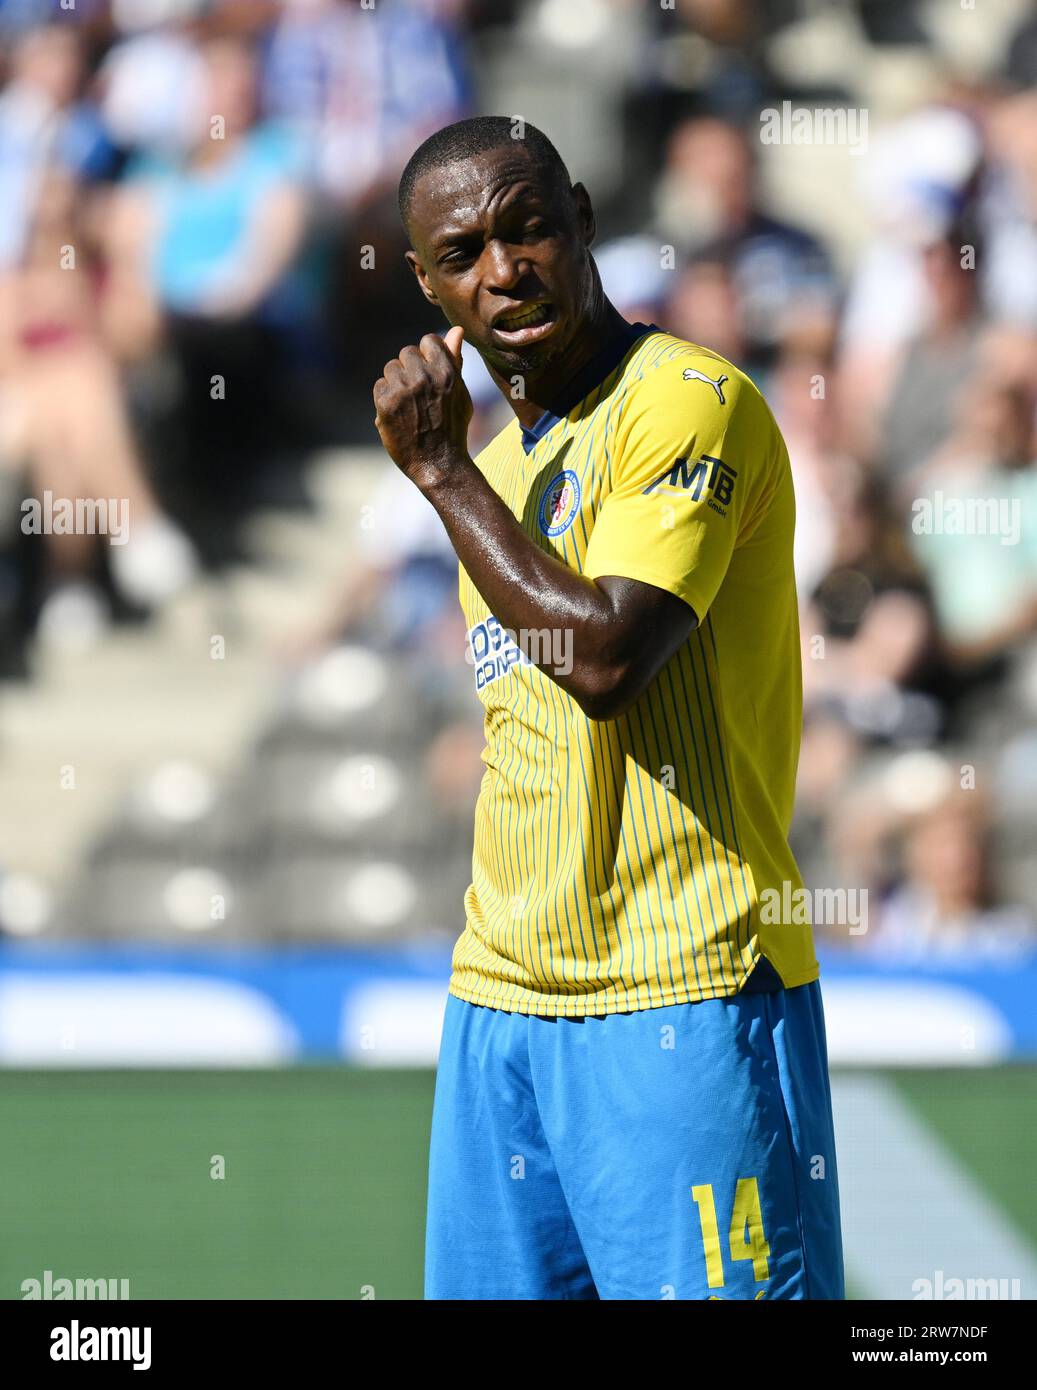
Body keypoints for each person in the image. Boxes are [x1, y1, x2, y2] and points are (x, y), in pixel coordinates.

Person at [373, 116, 844, 1301]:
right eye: (463, 251)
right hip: (502, 1005)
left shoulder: (684, 401)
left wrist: (442, 475)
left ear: (580, 219)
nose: (504, 269)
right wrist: (470, 476)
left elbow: (603, 657)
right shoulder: (517, 468)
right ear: (427, 284)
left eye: (528, 227)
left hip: (679, 993)